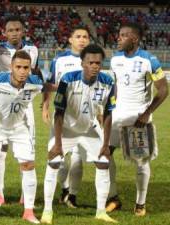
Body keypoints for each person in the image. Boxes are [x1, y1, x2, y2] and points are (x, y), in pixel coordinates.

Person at [41, 44, 117, 224]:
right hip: (65, 129)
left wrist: (105, 144)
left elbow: (108, 114)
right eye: (91, 62)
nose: (95, 66)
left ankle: (100, 212)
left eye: (98, 63)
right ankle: (47, 211)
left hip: (89, 129)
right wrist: (58, 143)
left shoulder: (108, 82)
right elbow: (58, 113)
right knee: (53, 162)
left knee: (104, 162)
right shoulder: (68, 80)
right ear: (82, 63)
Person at [106, 22, 168, 216]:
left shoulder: (149, 60)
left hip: (137, 118)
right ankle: (113, 197)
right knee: (104, 155)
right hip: (116, 116)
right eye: (119, 34)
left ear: (134, 38)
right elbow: (114, 87)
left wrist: (147, 113)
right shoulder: (115, 59)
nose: (118, 38)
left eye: (123, 35)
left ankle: (140, 204)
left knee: (141, 162)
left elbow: (164, 89)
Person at [0, 50, 44, 224]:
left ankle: (28, 211)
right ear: (11, 67)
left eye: (26, 68)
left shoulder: (35, 83)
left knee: (29, 165)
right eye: (18, 67)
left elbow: (49, 86)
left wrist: (46, 104)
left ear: (30, 69)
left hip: (19, 127)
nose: (22, 71)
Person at [0, 16, 39, 206]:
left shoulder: (33, 50)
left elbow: (36, 75)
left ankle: (25, 195)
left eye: (18, 29)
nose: (14, 33)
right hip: (1, 106)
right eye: (11, 30)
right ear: (4, 32)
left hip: (25, 105)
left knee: (26, 150)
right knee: (0, 151)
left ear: (23, 31)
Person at [42, 25, 90, 208]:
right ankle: (64, 189)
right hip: (62, 114)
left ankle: (73, 196)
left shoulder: (93, 59)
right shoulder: (59, 61)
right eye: (78, 36)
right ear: (70, 39)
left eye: (85, 36)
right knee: (58, 156)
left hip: (85, 115)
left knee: (78, 158)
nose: (82, 39)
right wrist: (45, 106)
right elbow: (50, 84)